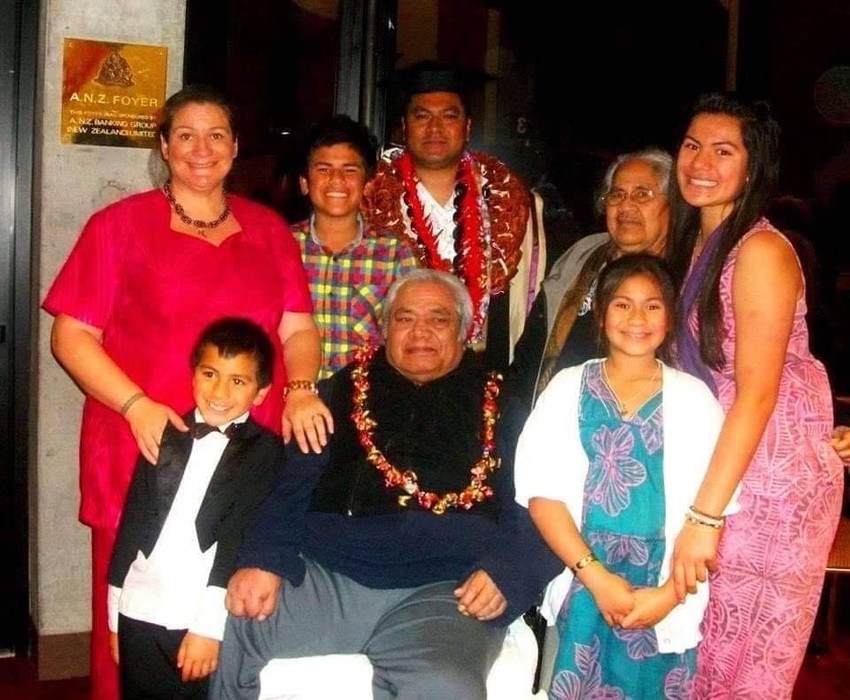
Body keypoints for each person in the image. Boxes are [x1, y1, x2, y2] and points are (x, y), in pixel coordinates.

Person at [42, 84, 330, 699]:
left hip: (243, 458)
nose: (202, 149)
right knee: (131, 618)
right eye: (186, 135)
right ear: (164, 146)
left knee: (227, 605)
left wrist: (301, 387)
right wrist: (134, 403)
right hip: (143, 446)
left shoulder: (268, 230)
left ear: (235, 147)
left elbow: (298, 329)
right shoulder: (118, 226)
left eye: (217, 135)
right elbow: (71, 337)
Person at [210, 268, 562, 700]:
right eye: (404, 318)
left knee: (446, 685)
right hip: (333, 573)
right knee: (240, 623)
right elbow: (291, 484)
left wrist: (511, 572)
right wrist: (264, 557)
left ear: (464, 331)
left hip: (448, 591)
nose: (420, 332)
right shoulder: (340, 390)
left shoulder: (504, 401)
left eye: (438, 319)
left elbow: (547, 500)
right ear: (384, 328)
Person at [665, 92, 844, 698]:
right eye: (692, 145)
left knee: (742, 669)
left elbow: (758, 395)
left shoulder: (761, 250)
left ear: (754, 166)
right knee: (701, 655)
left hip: (770, 489)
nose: (700, 162)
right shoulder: (693, 242)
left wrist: (703, 518)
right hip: (725, 469)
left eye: (723, 150)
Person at [514, 253, 731, 698]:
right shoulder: (567, 387)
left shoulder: (695, 399)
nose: (637, 317)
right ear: (601, 312)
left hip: (665, 587)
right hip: (584, 580)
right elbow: (542, 494)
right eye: (622, 304)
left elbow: (714, 514)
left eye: (653, 305)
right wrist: (596, 578)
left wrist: (670, 595)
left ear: (670, 318)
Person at [107, 317, 285, 699]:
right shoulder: (164, 432)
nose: (219, 390)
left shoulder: (266, 452)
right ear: (193, 375)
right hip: (138, 608)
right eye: (209, 373)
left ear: (260, 392)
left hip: (198, 615)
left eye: (238, 380)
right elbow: (133, 523)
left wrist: (209, 627)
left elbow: (237, 541)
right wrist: (113, 616)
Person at [361, 60, 546, 372]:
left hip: (485, 370)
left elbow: (527, 303)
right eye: (422, 116)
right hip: (393, 370)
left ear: (468, 126)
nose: (435, 128)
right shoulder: (371, 201)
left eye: (449, 116)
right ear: (404, 128)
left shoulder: (513, 200)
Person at [506, 148, 673, 414]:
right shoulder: (581, 256)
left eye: (642, 194)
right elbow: (531, 354)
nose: (626, 205)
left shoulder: (683, 274)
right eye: (617, 195)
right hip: (552, 421)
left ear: (672, 204)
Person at [291, 114, 419, 379]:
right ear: (304, 183)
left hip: (367, 404)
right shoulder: (281, 246)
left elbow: (411, 335)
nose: (337, 180)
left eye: (350, 170)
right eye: (323, 169)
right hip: (294, 402)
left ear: (368, 184)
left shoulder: (394, 253)